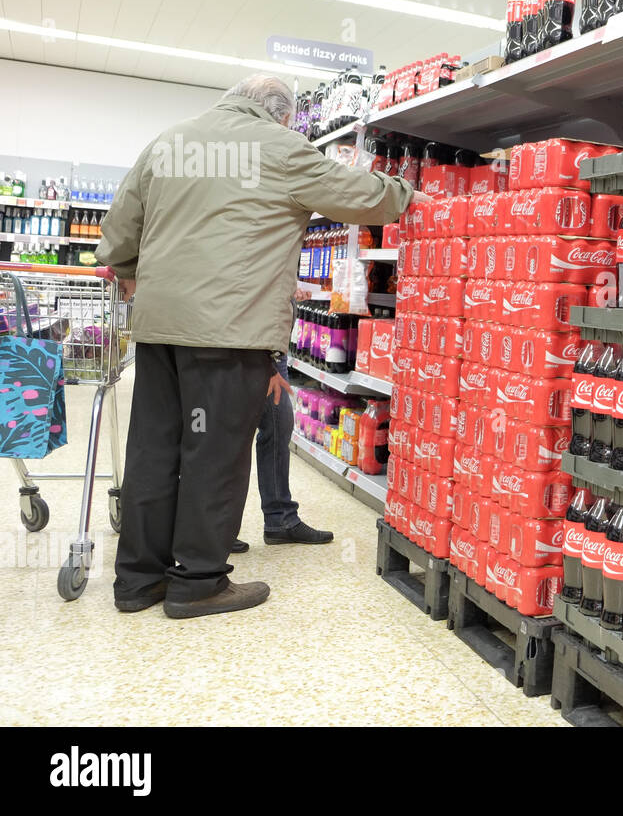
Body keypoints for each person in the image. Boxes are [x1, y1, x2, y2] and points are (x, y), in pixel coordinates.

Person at [97, 74, 426, 619]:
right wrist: (409, 194)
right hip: (230, 328)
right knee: (214, 454)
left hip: (158, 327)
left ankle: (137, 581)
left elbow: (118, 230)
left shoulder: (170, 140)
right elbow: (360, 197)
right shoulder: (280, 147)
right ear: (282, 115)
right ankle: (197, 582)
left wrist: (132, 273)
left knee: (153, 449)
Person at [231, 287, 331, 554]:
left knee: (278, 427)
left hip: (273, 347)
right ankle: (219, 527)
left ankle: (278, 519)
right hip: (256, 345)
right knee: (235, 435)